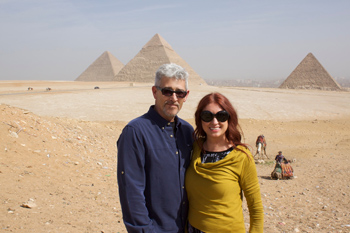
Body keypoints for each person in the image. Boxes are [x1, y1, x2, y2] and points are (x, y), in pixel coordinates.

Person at [117, 63, 194, 233]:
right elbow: (131, 190)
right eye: (167, 91)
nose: (174, 98)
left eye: (180, 93)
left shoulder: (188, 132)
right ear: (154, 92)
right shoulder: (135, 132)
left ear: (186, 95)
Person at [185, 92, 264, 233]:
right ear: (200, 119)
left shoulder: (241, 157)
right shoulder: (195, 149)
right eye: (207, 116)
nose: (214, 122)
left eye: (221, 116)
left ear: (229, 118)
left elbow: (255, 208)